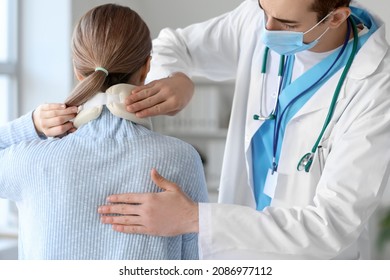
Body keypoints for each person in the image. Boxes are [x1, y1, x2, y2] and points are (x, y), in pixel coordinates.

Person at [28, 0, 390, 259]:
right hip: (230, 259)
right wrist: (177, 79)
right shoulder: (258, 18)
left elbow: (333, 225)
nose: (266, 30)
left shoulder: (376, 87)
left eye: (287, 26)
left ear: (335, 17)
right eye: (264, 11)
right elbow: (173, 44)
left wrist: (193, 217)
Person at [0, 4, 208, 260]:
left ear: (78, 71)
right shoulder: (182, 159)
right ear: (146, 68)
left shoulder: (29, 161)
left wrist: (31, 124)